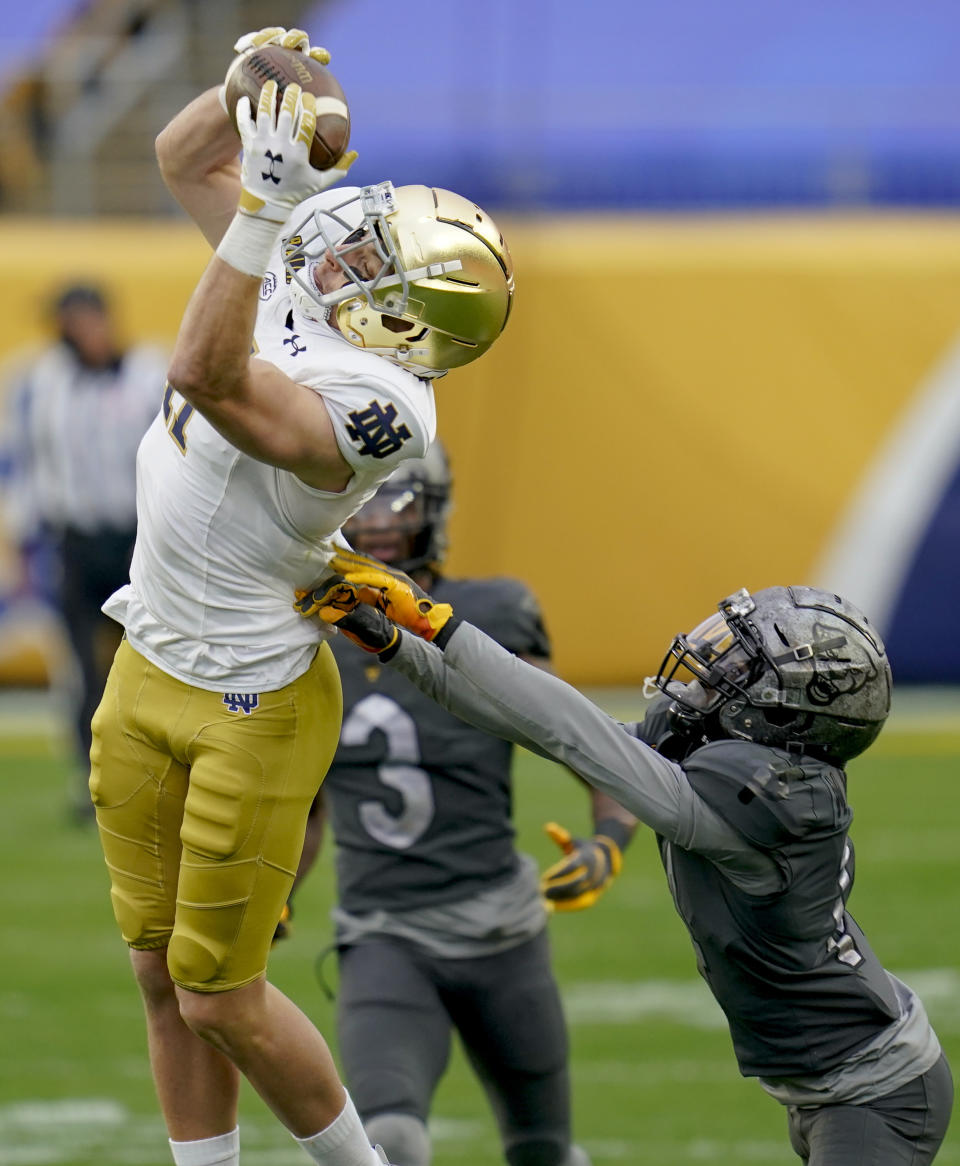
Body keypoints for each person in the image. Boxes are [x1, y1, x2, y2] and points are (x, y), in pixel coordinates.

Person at [87, 24, 514, 1166]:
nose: (342, 254)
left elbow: (206, 376)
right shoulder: (308, 277)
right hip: (147, 655)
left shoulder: (382, 405)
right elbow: (187, 162)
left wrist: (268, 211)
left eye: (368, 261)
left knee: (220, 992)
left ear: (404, 322)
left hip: (251, 698)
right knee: (152, 966)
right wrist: (241, 80)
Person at [297, 564, 954, 1166]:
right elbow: (525, 721)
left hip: (875, 1094)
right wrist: (398, 645)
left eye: (742, 666)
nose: (711, 666)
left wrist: (438, 625)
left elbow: (569, 731)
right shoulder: (753, 767)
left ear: (782, 713)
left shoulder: (771, 806)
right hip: (830, 1087)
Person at [282, 442, 634, 1166]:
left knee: (546, 1151)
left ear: (434, 512)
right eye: (362, 504)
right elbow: (309, 804)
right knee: (391, 1143)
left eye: (399, 502)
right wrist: (273, 894)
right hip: (385, 936)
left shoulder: (490, 613)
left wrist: (610, 842)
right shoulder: (309, 631)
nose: (378, 522)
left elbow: (582, 738)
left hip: (503, 931)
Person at [0, 282, 166, 817]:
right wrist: (23, 541)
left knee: (152, 658)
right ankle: (92, 778)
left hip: (139, 538)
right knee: (79, 669)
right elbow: (23, 461)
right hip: (73, 538)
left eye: (87, 319)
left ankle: (158, 770)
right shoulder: (39, 380)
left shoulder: (149, 371)